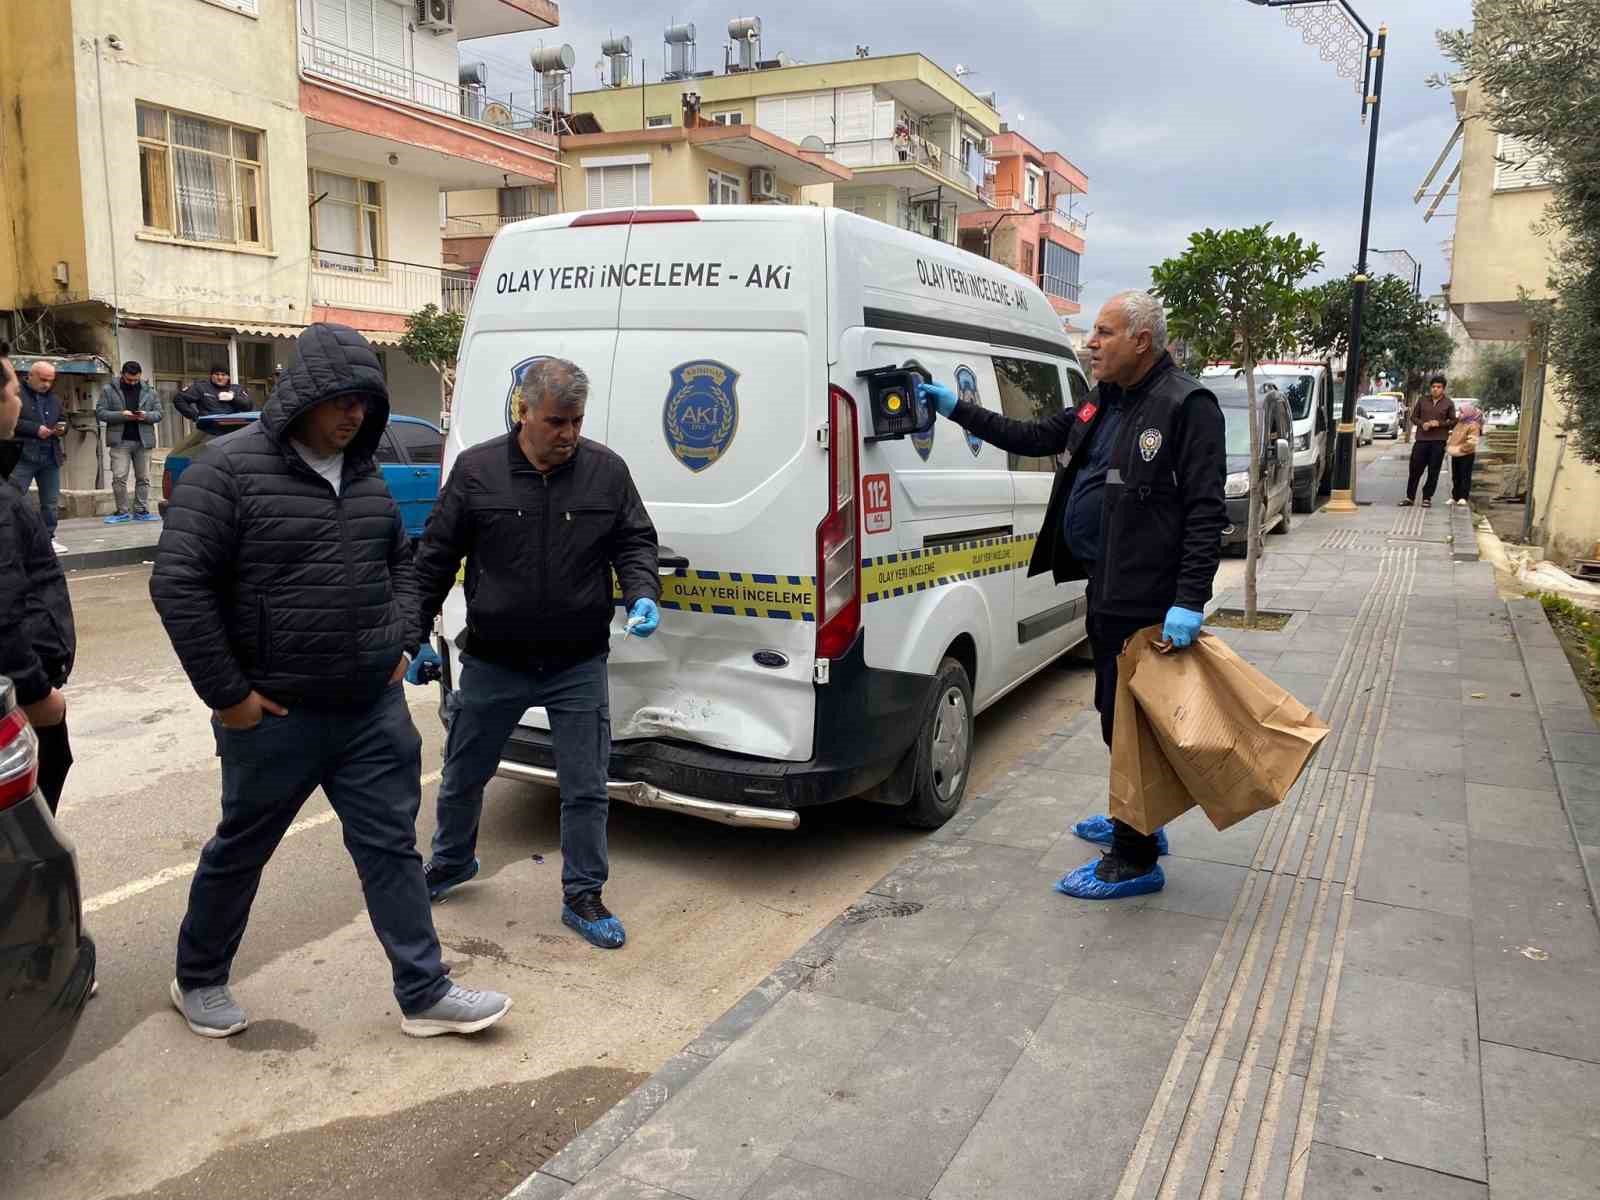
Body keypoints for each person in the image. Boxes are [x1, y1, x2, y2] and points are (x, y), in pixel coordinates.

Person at [150, 322, 511, 1039]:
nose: (353, 416)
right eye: (341, 401)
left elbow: (403, 565)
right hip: (276, 714)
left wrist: (403, 640)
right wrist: (229, 697)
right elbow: (179, 584)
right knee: (241, 850)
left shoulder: (367, 479)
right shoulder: (227, 471)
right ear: (303, 396)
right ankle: (198, 978)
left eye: (364, 404)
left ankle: (424, 990)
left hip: (369, 712)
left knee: (390, 850)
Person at [919, 291, 1226, 899]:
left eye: (1104, 333)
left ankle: (1134, 858)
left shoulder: (1187, 405)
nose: (1091, 343)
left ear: (1142, 339)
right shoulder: (1105, 400)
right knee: (1115, 715)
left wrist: (1190, 599)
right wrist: (958, 408)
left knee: (1132, 722)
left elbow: (1204, 510)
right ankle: (1136, 819)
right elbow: (1033, 435)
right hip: (1105, 586)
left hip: (1150, 600)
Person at [411, 357, 660, 948]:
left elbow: (634, 540)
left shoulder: (605, 472)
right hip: (496, 659)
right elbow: (433, 562)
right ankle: (450, 862)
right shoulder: (476, 473)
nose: (568, 434)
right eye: (556, 421)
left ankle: (583, 895)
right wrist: (414, 634)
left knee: (585, 786)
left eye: (576, 420)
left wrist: (644, 591)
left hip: (576, 662)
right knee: (465, 774)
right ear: (523, 412)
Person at [0, 355, 75, 814]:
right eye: (10, 392)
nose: (16, 402)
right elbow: (3, 605)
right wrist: (35, 693)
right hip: (18, 704)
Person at [11, 360, 68, 554]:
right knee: (15, 499)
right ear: (31, 376)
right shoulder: (14, 394)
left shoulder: (55, 399)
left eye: (50, 380)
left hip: (50, 455)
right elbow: (9, 421)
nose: (46, 384)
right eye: (43, 379)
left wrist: (61, 428)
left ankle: (48, 538)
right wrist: (35, 429)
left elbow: (63, 419)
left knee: (50, 503)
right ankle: (15, 540)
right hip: (23, 455)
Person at [96, 361, 164, 523]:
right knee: (119, 477)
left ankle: (141, 511)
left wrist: (145, 415)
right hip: (120, 441)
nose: (133, 383)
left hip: (143, 441)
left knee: (144, 478)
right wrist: (122, 415)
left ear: (140, 376)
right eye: (129, 380)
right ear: (122, 375)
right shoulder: (108, 390)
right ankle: (122, 511)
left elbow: (159, 414)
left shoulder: (149, 390)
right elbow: (100, 412)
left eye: (136, 380)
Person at [1401, 374, 1457, 508]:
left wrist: (1439, 423)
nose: (1435, 389)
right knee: (1415, 469)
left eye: (1438, 387)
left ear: (1443, 389)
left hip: (1438, 441)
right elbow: (1414, 417)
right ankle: (1410, 497)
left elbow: (1453, 421)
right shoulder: (1422, 400)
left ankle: (1427, 497)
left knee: (1433, 470)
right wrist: (1422, 424)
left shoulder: (1448, 403)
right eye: (1433, 387)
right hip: (1422, 440)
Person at [174, 363, 252, 422]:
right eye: (216, 374)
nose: (220, 377)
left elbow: (248, 406)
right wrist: (196, 417)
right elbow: (179, 399)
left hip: (232, 428)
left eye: (223, 375)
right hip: (209, 428)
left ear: (228, 377)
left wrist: (233, 398)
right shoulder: (201, 387)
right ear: (211, 376)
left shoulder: (236, 389)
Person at [1447, 397, 1484, 508]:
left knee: (1464, 476)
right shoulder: (1459, 423)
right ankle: (1455, 496)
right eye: (1460, 412)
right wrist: (1450, 446)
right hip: (1456, 454)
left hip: (1466, 454)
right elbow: (1453, 437)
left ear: (1468, 413)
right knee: (1455, 476)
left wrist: (1461, 449)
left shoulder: (1473, 426)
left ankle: (1463, 497)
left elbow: (1472, 442)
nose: (1460, 414)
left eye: (1462, 412)